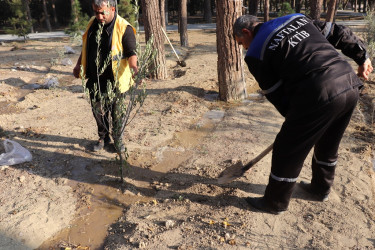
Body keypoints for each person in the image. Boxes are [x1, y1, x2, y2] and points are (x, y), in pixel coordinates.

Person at [233, 13, 373, 214]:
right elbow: (339, 32)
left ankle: (275, 202)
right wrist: (363, 58)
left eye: (241, 42)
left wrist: (295, 122)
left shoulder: (255, 53)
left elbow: (276, 93)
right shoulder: (296, 19)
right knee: (328, 141)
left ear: (246, 32)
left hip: (320, 90)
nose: (244, 47)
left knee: (286, 147)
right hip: (349, 82)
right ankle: (320, 189)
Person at [73, 0, 138, 152]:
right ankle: (103, 137)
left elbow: (131, 53)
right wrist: (78, 65)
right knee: (98, 111)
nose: (99, 16)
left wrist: (135, 68)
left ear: (112, 9)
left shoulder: (124, 28)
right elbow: (86, 47)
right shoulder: (93, 23)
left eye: (103, 12)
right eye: (96, 12)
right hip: (95, 78)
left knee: (116, 113)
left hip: (115, 81)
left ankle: (118, 138)